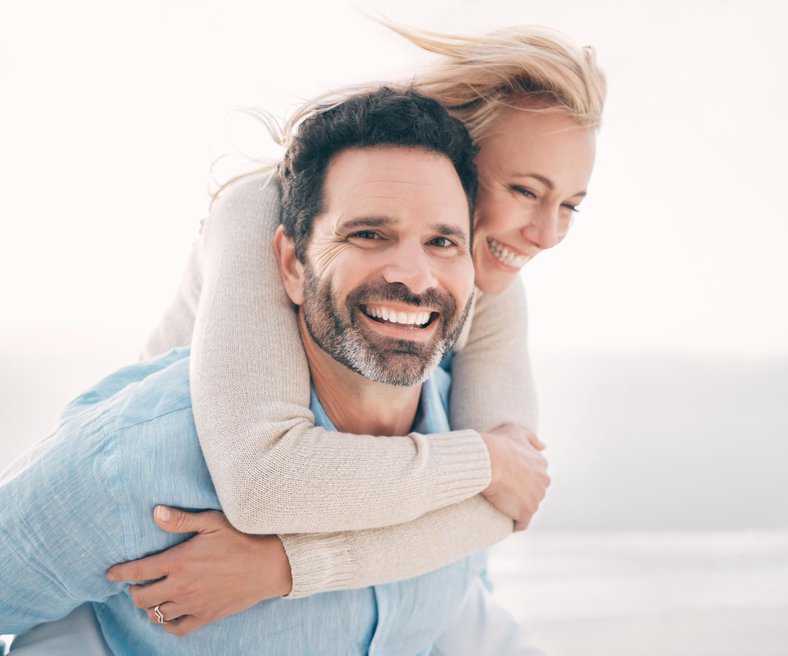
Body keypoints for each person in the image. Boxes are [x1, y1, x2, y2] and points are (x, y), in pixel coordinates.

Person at [105, 22, 605, 639]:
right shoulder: (261, 216)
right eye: (526, 191)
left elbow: (508, 499)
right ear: (455, 156)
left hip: (432, 597)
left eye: (570, 206)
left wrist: (285, 566)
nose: (547, 233)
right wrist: (481, 460)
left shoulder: (487, 273)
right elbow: (266, 481)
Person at [0, 88, 532, 655]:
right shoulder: (141, 458)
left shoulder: (472, 444)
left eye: (442, 241)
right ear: (291, 264)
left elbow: (464, 621)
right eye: (368, 234)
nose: (414, 274)